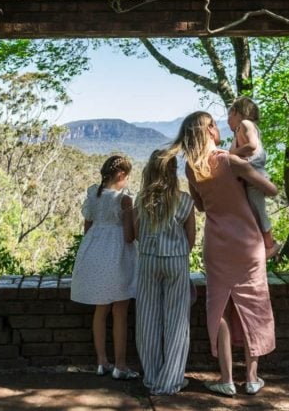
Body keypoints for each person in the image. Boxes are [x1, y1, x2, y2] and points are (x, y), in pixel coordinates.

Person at [169, 111, 279, 397]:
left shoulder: (192, 169)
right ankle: (253, 379)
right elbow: (271, 190)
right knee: (253, 303)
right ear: (209, 130)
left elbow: (202, 207)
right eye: (215, 126)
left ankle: (226, 379)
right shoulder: (230, 161)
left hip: (217, 245)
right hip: (248, 244)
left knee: (219, 308)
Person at [70, 155, 140, 380]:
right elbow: (129, 237)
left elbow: (87, 228)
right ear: (121, 175)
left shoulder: (94, 195)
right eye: (127, 176)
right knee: (120, 311)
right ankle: (120, 365)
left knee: (101, 310)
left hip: (95, 253)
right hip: (118, 255)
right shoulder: (125, 200)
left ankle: (102, 361)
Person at [133, 150, 196, 396]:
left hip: (148, 260)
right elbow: (190, 239)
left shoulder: (142, 199)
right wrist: (177, 252)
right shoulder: (184, 200)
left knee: (147, 320)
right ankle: (171, 380)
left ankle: (152, 376)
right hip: (176, 261)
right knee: (177, 321)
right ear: (172, 171)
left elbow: (137, 233)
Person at [227, 96, 282, 259]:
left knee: (258, 210)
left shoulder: (245, 124)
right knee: (252, 210)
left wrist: (230, 154)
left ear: (235, 112)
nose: (227, 121)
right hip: (250, 175)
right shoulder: (241, 129)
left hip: (254, 174)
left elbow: (252, 146)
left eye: (228, 116)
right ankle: (260, 243)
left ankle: (270, 246)